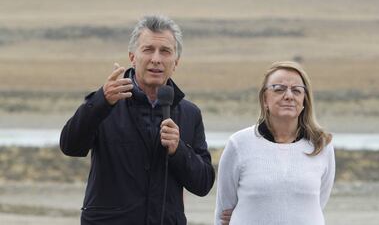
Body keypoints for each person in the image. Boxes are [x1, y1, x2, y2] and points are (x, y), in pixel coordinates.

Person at [60, 15, 215, 225]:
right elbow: (71, 146)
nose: (156, 59)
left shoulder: (189, 113)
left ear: (176, 62)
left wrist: (178, 150)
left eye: (165, 51)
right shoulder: (106, 104)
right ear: (132, 57)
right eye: (148, 49)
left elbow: (203, 183)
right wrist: (99, 102)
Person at [215, 61, 335, 225]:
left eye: (297, 90)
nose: (288, 96)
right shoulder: (239, 144)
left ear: (304, 100)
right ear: (264, 99)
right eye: (279, 89)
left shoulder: (321, 145)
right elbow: (224, 209)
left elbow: (317, 204)